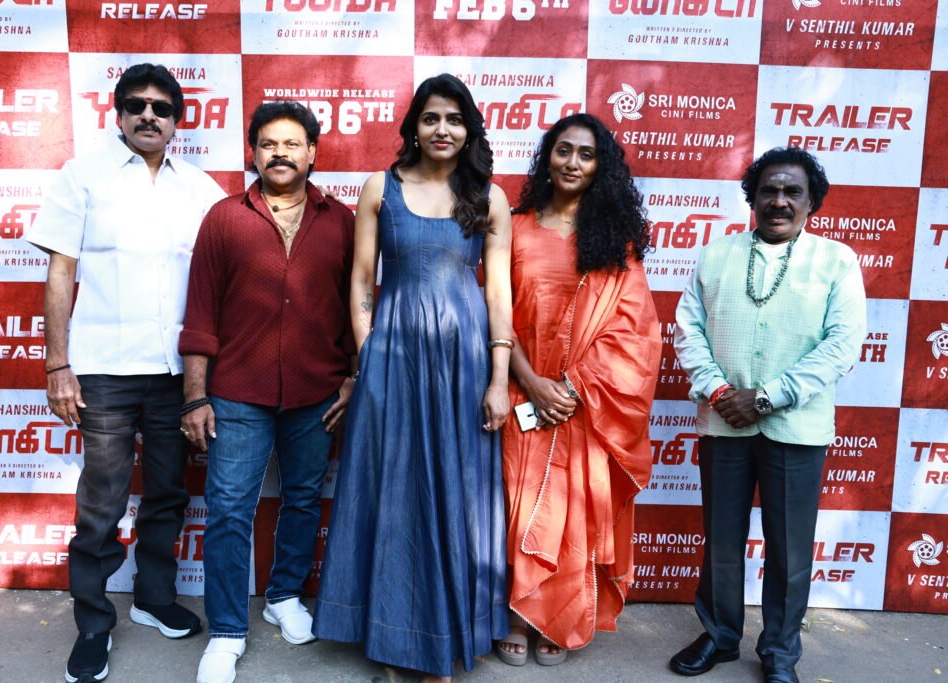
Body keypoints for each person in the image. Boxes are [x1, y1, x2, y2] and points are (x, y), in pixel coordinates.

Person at [25, 63, 226, 683]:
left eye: (161, 107)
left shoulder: (200, 190)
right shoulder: (82, 175)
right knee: (102, 504)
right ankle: (93, 624)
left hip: (174, 373)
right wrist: (58, 364)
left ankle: (153, 598)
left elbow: (219, 279)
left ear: (177, 121)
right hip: (104, 371)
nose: (148, 115)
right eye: (136, 104)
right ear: (117, 113)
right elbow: (60, 273)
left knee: (168, 493)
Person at [311, 73, 513, 682]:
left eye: (454, 119)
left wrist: (498, 378)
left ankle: (444, 637)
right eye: (431, 118)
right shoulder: (381, 187)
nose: (442, 129)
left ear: (468, 129)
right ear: (414, 127)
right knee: (395, 491)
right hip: (393, 355)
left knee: (458, 492)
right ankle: (396, 636)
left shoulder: (490, 198)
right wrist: (369, 355)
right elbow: (360, 279)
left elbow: (497, 292)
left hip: (463, 362)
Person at [671, 147, 866, 683]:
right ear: (752, 198)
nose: (779, 201)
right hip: (723, 421)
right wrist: (720, 392)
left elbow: (842, 345)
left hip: (796, 428)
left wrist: (765, 397)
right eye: (769, 191)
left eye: (792, 192)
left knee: (789, 548)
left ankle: (780, 652)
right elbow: (688, 330)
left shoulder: (837, 261)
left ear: (811, 202)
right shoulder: (716, 254)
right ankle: (719, 636)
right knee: (721, 539)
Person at [178, 101, 357, 683]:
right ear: (253, 152)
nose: (280, 153)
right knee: (229, 510)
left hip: (317, 391)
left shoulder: (342, 221)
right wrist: (196, 396)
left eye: (292, 143)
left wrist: (353, 377)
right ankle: (228, 631)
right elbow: (200, 313)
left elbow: (358, 307)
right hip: (237, 391)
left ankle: (283, 596)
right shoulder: (224, 218)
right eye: (268, 144)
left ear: (313, 153)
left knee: (303, 499)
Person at [495, 113, 661, 667]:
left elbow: (634, 333)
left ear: (600, 168)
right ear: (548, 157)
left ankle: (558, 619)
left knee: (571, 512)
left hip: (582, 404)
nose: (572, 162)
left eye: (586, 155)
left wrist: (570, 388)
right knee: (517, 504)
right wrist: (532, 382)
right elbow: (492, 312)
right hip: (520, 389)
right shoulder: (514, 227)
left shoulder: (614, 244)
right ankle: (515, 615)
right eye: (563, 150)